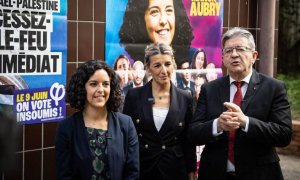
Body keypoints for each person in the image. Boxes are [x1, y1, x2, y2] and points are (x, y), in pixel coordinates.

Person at [188, 27, 292, 180]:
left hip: (259, 174)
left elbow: (284, 135)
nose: (234, 54)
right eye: (228, 50)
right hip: (214, 173)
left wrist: (246, 122)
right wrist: (217, 125)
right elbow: (194, 133)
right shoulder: (209, 89)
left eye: (240, 49)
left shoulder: (273, 88)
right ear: (223, 58)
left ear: (254, 56)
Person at [55, 60, 139, 180]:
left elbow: (132, 173)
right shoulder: (66, 128)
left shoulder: (126, 124)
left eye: (105, 84)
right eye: (94, 84)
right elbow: (64, 175)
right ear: (82, 87)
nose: (101, 89)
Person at [123, 43, 196, 180]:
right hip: (144, 168)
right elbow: (126, 138)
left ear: (174, 65)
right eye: (157, 65)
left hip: (174, 169)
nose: (164, 70)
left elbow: (188, 140)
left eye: (167, 64)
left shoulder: (185, 97)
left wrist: (191, 171)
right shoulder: (134, 96)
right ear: (148, 69)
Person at [119, 0, 194, 68]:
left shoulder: (191, 59)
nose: (163, 21)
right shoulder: (132, 65)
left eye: (169, 10)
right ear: (140, 20)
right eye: (154, 12)